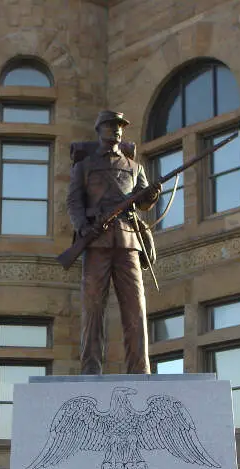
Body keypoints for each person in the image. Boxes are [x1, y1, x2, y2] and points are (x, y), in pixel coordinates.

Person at [67, 110, 161, 375]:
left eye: (120, 125)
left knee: (136, 309)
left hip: (128, 242)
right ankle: (90, 370)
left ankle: (140, 370)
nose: (117, 129)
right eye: (111, 125)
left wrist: (151, 195)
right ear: (99, 130)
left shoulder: (135, 167)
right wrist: (84, 227)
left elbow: (142, 202)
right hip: (96, 242)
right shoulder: (83, 167)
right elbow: (74, 202)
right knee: (93, 309)